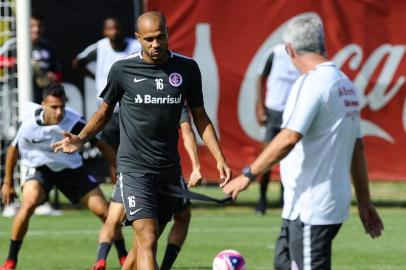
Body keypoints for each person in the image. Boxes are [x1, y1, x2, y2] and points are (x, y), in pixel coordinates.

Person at [52, 11, 231, 270]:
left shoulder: (187, 68)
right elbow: (103, 113)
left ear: (168, 34)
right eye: (148, 40)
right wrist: (80, 139)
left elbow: (200, 118)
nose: (155, 44)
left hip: (168, 170)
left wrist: (220, 159)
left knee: (145, 241)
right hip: (134, 170)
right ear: (138, 39)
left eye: (160, 37)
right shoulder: (122, 69)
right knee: (147, 238)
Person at [223, 14, 383, 270]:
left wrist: (247, 176)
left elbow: (288, 137)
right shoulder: (345, 84)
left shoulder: (311, 83)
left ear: (289, 50)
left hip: (312, 209)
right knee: (283, 263)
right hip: (305, 206)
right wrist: (364, 201)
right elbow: (357, 148)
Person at [0, 84, 127, 270]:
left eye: (61, 106)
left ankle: (123, 255)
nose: (59, 111)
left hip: (71, 170)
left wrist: (123, 170)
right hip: (41, 169)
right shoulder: (29, 123)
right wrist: (8, 182)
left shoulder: (75, 121)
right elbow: (13, 149)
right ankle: (11, 260)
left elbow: (101, 145)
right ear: (43, 104)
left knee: (105, 212)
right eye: (53, 107)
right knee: (27, 204)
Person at [91, 105, 202, 270]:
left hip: (133, 171)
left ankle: (101, 259)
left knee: (134, 235)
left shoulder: (139, 92)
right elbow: (187, 132)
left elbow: (102, 132)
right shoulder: (173, 95)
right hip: (155, 173)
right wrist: (196, 166)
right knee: (149, 238)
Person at [73, 17, 141, 183]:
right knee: (111, 148)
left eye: (117, 28)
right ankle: (118, 184)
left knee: (134, 147)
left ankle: (137, 183)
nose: (114, 32)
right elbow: (77, 62)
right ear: (104, 31)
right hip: (107, 106)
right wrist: (96, 77)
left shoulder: (136, 47)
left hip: (131, 106)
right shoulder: (100, 47)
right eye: (110, 29)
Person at [255, 43, 299, 214]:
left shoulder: (303, 55)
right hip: (272, 112)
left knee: (289, 159)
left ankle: (284, 200)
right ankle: (262, 200)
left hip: (292, 113)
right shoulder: (275, 53)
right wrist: (259, 106)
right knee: (267, 157)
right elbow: (260, 77)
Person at [31, 13, 61, 104]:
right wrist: (20, 63)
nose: (36, 29)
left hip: (42, 96)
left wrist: (53, 77)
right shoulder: (14, 45)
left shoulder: (47, 46)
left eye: (39, 26)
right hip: (17, 95)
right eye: (31, 26)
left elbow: (57, 73)